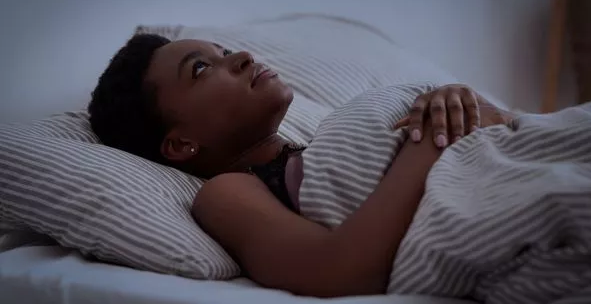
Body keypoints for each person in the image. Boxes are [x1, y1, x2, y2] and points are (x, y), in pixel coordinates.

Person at [88, 34, 514, 297]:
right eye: (201, 68)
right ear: (181, 144)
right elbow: (337, 272)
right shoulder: (228, 193)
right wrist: (432, 137)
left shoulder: (324, 152)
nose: (240, 58)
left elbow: (509, 128)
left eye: (225, 50)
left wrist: (457, 101)